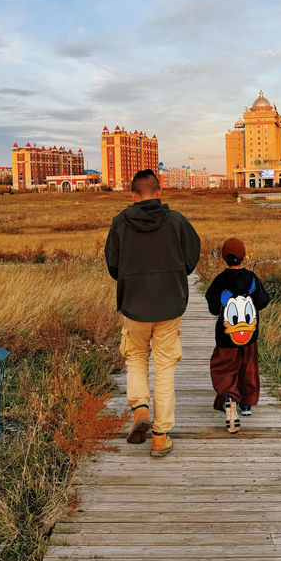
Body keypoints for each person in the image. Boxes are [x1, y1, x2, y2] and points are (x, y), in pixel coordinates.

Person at [104, 169, 200, 457]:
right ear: (159, 192)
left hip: (134, 305)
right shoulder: (177, 221)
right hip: (170, 304)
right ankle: (160, 436)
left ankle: (140, 409)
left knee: (135, 357)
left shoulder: (120, 223)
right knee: (165, 366)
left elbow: (113, 266)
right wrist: (174, 275)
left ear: (133, 195)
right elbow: (192, 257)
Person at [205, 238, 270, 434]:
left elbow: (212, 306)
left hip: (226, 336)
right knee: (248, 367)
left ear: (223, 258)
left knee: (223, 367)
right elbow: (263, 301)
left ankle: (230, 398)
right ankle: (247, 404)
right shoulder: (251, 278)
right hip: (249, 335)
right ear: (244, 257)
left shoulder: (220, 280)